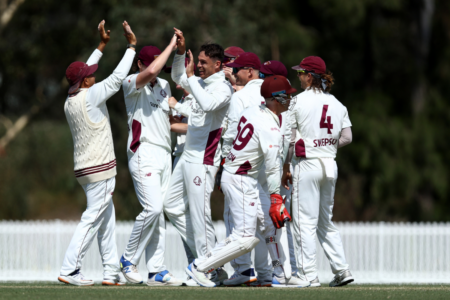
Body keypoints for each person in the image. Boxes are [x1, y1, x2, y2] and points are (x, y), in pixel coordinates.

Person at [186, 75, 310, 288]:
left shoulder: (253, 110)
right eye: (287, 96)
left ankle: (280, 274)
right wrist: (276, 199)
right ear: (276, 98)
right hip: (240, 180)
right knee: (244, 238)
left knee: (272, 224)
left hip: (243, 177)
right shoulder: (269, 127)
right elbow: (272, 168)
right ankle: (199, 266)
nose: (290, 99)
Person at [58, 20, 136, 286]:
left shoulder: (70, 101)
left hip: (85, 169)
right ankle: (70, 269)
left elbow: (85, 74)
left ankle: (110, 272)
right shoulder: (91, 96)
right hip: (100, 168)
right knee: (93, 219)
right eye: (91, 73)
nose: (94, 75)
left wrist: (101, 46)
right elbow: (116, 80)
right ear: (86, 80)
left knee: (105, 220)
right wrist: (131, 48)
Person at [164, 28, 233, 286]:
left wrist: (192, 78)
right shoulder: (200, 82)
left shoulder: (224, 89)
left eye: (204, 62)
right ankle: (210, 262)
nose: (200, 66)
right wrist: (181, 52)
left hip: (204, 159)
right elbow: (178, 76)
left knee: (200, 215)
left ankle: (208, 269)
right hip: (187, 157)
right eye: (198, 61)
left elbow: (206, 104)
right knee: (171, 206)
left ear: (218, 64)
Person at [283, 56, 354, 287]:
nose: (299, 77)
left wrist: (285, 164)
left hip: (308, 164)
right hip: (329, 165)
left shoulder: (297, 101)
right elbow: (347, 137)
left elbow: (288, 138)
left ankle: (307, 275)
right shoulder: (337, 103)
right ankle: (342, 270)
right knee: (325, 221)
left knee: (304, 221)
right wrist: (326, 145)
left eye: (300, 73)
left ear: (309, 76)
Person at [118, 36, 184, 286]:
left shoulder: (164, 85)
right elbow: (153, 69)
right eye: (151, 65)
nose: (156, 73)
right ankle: (127, 259)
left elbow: (170, 123)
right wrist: (171, 46)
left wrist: (199, 127)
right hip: (143, 152)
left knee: (160, 214)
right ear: (140, 65)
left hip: (164, 153)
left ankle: (156, 269)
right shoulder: (130, 83)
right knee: (152, 208)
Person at [216, 52, 270, 286]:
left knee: (236, 220)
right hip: (268, 165)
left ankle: (242, 269)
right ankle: (268, 273)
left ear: (250, 71)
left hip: (243, 166)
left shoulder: (239, 97)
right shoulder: (270, 92)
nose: (234, 73)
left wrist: (223, 164)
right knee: (262, 222)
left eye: (237, 69)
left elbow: (231, 136)